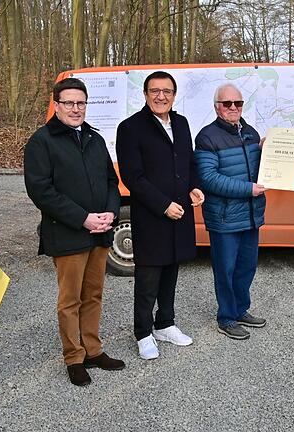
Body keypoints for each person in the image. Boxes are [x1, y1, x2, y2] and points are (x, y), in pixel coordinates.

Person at [24, 77, 125, 387]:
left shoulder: (94, 139)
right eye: (69, 103)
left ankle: (93, 349)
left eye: (81, 103)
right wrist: (83, 218)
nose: (76, 108)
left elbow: (111, 181)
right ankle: (74, 357)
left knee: (93, 294)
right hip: (68, 233)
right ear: (57, 104)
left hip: (100, 231)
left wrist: (111, 211)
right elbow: (41, 190)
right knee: (70, 300)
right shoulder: (42, 141)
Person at [116, 71, 205, 359]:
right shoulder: (131, 127)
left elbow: (189, 162)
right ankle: (143, 331)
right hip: (153, 213)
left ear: (174, 95)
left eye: (166, 91)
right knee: (148, 276)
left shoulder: (181, 123)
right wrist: (163, 204)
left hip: (180, 213)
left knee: (172, 268)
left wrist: (194, 187)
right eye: (154, 91)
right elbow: (133, 176)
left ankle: (165, 323)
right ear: (145, 94)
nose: (160, 96)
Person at [194, 83, 267, 340]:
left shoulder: (250, 132)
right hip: (224, 217)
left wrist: (269, 151)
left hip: (250, 215)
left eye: (238, 103)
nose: (234, 107)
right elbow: (209, 178)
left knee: (247, 267)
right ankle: (226, 317)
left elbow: (260, 169)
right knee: (225, 269)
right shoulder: (207, 137)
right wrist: (248, 189)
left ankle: (240, 309)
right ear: (217, 107)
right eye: (228, 104)